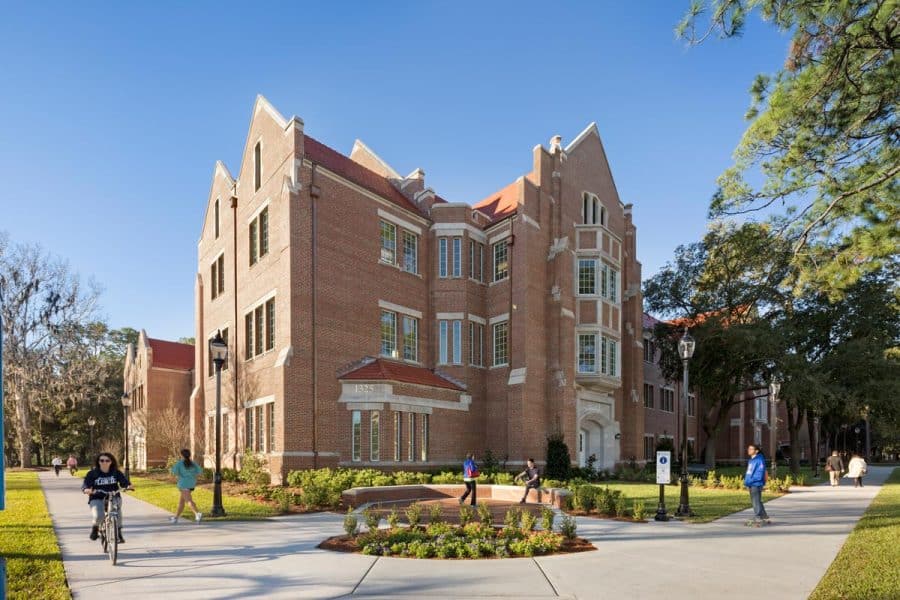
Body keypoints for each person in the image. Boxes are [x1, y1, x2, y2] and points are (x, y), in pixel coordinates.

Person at [82, 452, 133, 543]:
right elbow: (86, 485)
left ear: (111, 462)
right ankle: (95, 528)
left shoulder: (116, 473)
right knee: (99, 516)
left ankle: (118, 532)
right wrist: (87, 489)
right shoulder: (92, 473)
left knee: (117, 512)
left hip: (113, 495)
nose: (104, 462)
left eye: (107, 460)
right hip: (97, 497)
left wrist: (128, 486)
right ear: (98, 462)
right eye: (101, 460)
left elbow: (124, 482)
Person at [170, 449, 203, 523]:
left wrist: (180, 475)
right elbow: (200, 471)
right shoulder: (193, 463)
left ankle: (197, 513)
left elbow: (174, 472)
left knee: (188, 500)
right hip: (191, 483)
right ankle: (176, 518)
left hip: (183, 484)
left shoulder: (180, 463)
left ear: (181, 455)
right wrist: (193, 475)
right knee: (181, 502)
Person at [744, 444, 769, 526]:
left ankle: (758, 516)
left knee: (755, 501)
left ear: (756, 451)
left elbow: (760, 472)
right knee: (756, 500)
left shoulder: (759, 460)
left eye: (751, 449)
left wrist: (752, 481)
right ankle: (763, 515)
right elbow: (749, 472)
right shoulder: (752, 460)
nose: (749, 450)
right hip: (751, 483)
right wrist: (747, 482)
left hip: (756, 483)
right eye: (748, 448)